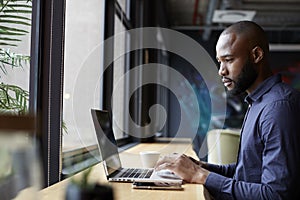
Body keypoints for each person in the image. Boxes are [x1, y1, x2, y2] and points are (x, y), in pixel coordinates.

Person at [155, 20, 300, 199]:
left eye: (229, 60)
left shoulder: (278, 107)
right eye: (219, 61)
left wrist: (199, 176)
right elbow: (247, 171)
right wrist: (200, 167)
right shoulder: (259, 102)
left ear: (256, 55)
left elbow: (276, 195)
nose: (221, 71)